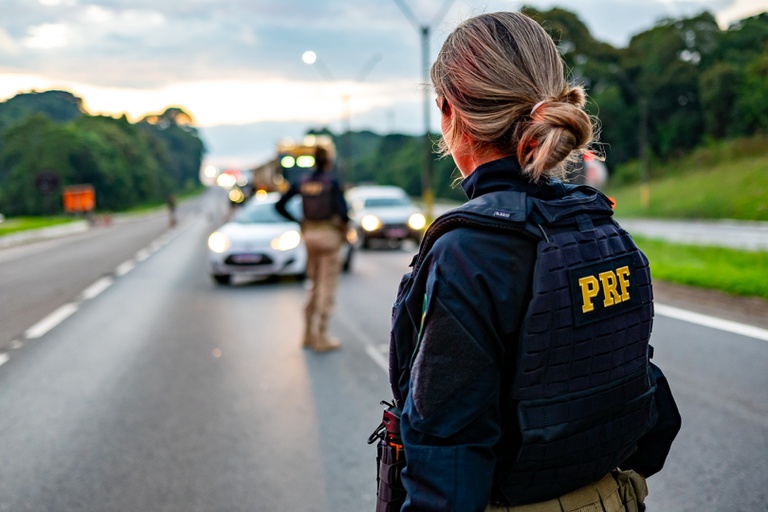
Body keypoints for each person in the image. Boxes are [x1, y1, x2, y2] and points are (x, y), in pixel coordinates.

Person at [386, 11, 681, 512]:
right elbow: (652, 412)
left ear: (450, 112)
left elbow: (448, 460)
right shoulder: (601, 226)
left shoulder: (468, 252)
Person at [275, 146, 349, 353]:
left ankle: (307, 333)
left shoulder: (302, 181)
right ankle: (321, 335)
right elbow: (343, 212)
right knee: (327, 286)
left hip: (309, 235)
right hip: (328, 236)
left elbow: (279, 205)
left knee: (314, 284)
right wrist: (344, 231)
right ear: (328, 162)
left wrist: (299, 221)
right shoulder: (331, 182)